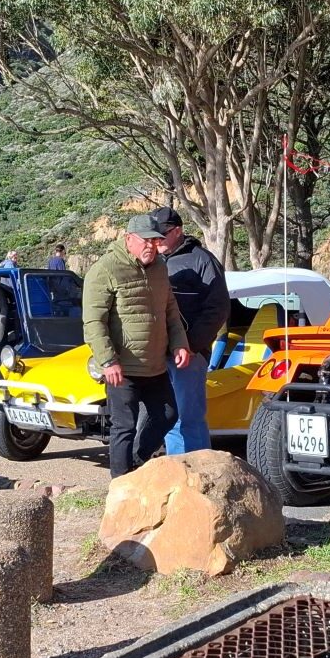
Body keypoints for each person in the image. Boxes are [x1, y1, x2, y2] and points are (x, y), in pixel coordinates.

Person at [83, 214, 190, 478]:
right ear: (129, 239)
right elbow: (93, 321)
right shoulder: (105, 269)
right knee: (124, 427)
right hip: (123, 368)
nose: (151, 246)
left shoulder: (160, 268)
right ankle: (119, 485)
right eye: (146, 241)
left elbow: (171, 311)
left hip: (155, 365)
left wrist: (180, 344)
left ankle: (133, 465)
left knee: (167, 414)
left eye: (156, 241)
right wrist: (108, 360)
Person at [151, 205, 230, 454]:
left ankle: (197, 476)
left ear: (178, 231)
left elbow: (218, 308)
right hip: (156, 355)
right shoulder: (150, 261)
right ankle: (176, 476)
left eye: (162, 234)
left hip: (188, 356)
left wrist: (192, 345)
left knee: (188, 418)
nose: (157, 240)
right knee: (166, 417)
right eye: (153, 235)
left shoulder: (203, 260)